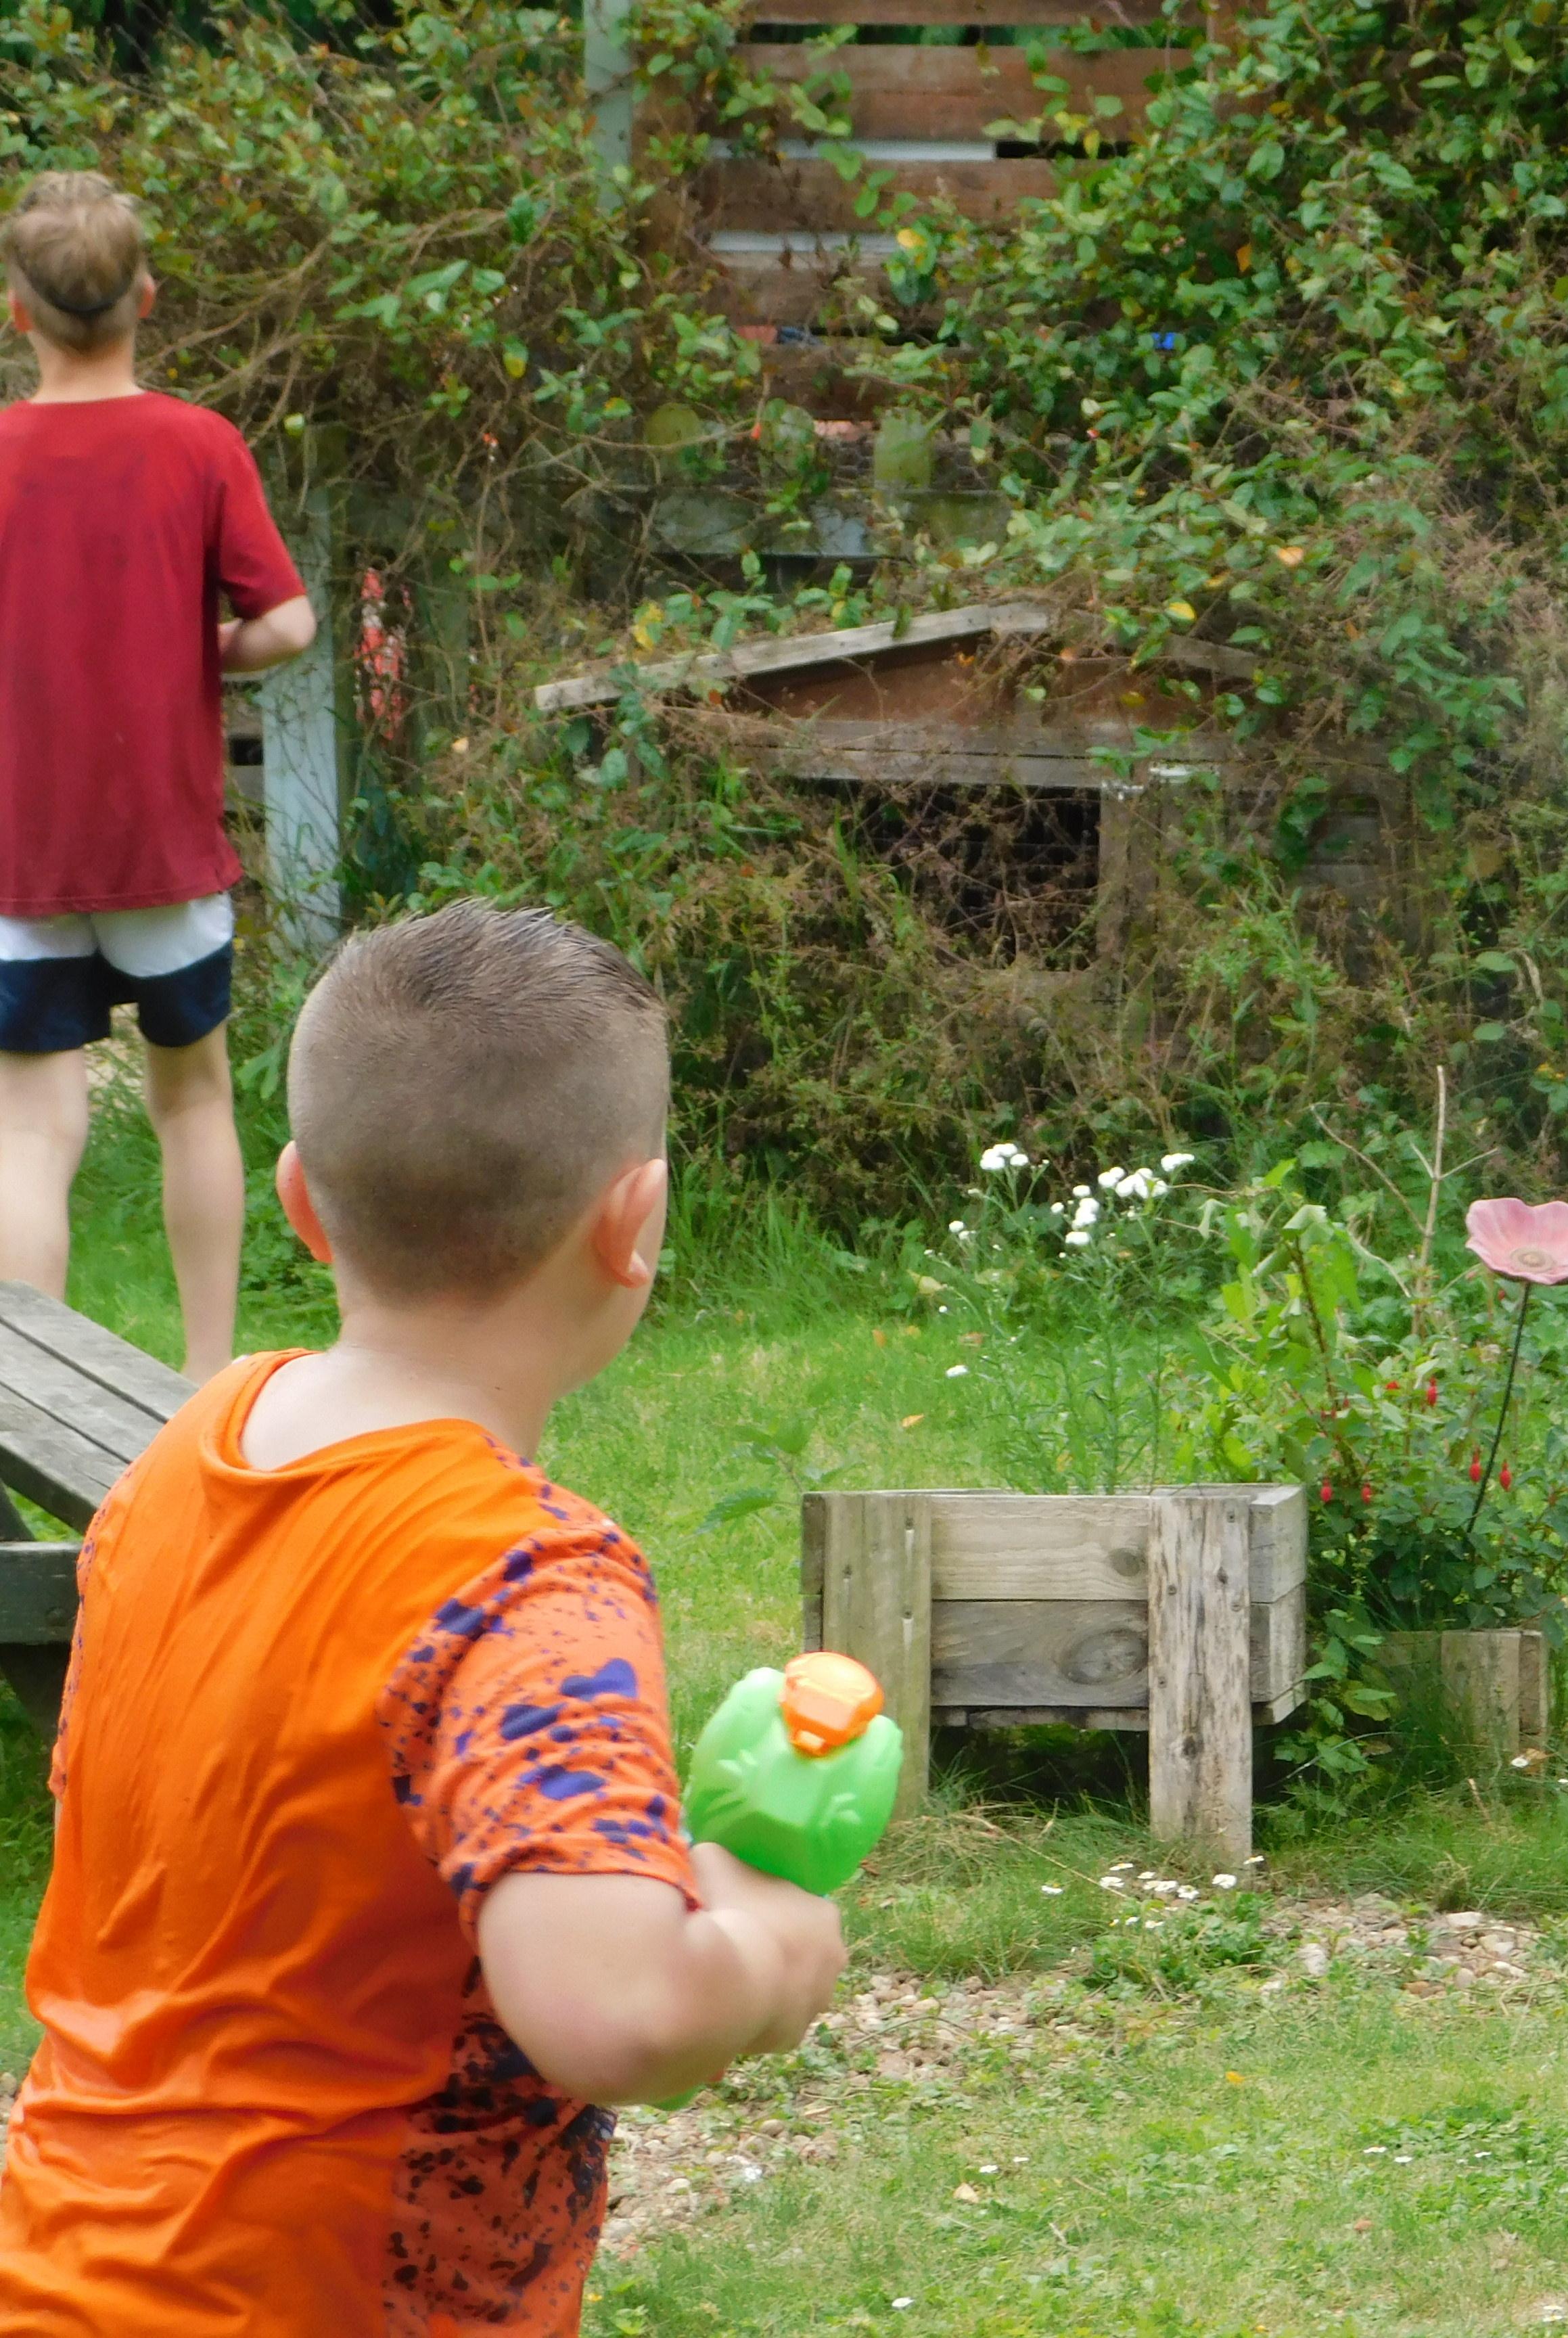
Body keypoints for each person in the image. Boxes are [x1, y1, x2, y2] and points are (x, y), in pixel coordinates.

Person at [0, 902, 848, 2334]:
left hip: (57, 2270)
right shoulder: (528, 1582)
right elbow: (617, 2010)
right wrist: (767, 1938)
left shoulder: (190, 1453)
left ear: (299, 1201)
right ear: (635, 1224)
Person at [0, 170, 319, 1381]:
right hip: (167, 850)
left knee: (32, 1129)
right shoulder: (199, 444)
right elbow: (287, 623)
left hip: (21, 853)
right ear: (145, 296)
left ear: (18, 312)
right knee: (192, 1102)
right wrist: (196, 649)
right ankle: (202, 1383)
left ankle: (28, 1404)